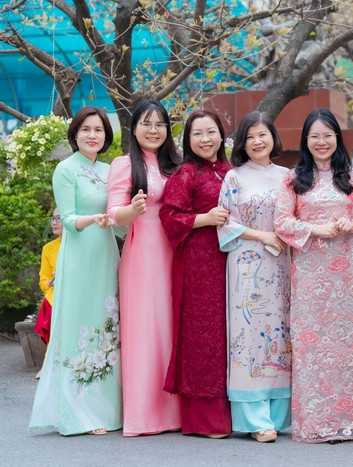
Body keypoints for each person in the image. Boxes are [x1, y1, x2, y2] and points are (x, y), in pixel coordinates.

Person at [274, 109, 353, 444]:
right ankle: (314, 422)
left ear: (337, 138)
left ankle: (351, 422)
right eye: (314, 136)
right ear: (306, 140)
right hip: (309, 276)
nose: (321, 141)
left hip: (347, 278)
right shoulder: (293, 178)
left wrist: (352, 225)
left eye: (328, 135)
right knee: (311, 347)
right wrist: (315, 229)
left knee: (349, 346)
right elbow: (281, 222)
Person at [28, 106, 122, 436]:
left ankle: (108, 411)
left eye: (98, 130)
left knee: (107, 327)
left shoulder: (111, 170)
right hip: (80, 257)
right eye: (86, 129)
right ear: (75, 134)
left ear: (106, 136)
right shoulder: (66, 170)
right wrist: (93, 219)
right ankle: (80, 413)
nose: (92, 135)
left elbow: (119, 222)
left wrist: (130, 216)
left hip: (106, 255)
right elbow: (67, 219)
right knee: (80, 326)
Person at [107, 99, 181, 436]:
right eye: (146, 124)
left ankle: (177, 411)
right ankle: (144, 415)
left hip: (176, 252)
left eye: (160, 124)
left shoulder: (176, 164)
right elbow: (114, 214)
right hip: (142, 256)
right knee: (145, 330)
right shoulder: (124, 165)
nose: (153, 130)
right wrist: (132, 210)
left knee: (172, 328)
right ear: (133, 128)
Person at [217, 111, 292, 443]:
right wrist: (262, 235)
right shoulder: (234, 178)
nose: (257, 142)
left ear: (273, 137)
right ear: (242, 144)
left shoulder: (288, 177)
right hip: (247, 265)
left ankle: (278, 416)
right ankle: (254, 419)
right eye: (250, 137)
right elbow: (225, 223)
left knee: (281, 333)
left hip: (282, 264)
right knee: (249, 333)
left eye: (263, 134)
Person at [158, 109, 232, 438]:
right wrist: (205, 218)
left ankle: (241, 410)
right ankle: (206, 419)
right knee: (204, 335)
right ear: (188, 140)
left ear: (221, 135)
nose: (205, 139)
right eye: (197, 133)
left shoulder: (231, 171)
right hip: (199, 263)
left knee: (230, 333)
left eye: (211, 131)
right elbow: (169, 217)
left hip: (233, 262)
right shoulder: (186, 173)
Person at [34, 208, 63, 347]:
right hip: (54, 302)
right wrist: (50, 282)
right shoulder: (48, 248)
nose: (54, 222)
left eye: (59, 218)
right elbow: (43, 280)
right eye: (53, 218)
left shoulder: (79, 246)